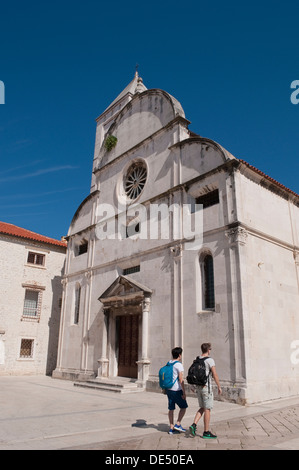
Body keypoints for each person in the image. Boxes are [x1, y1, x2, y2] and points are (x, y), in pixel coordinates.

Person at [189, 342, 222, 439]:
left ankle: (194, 425)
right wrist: (219, 386)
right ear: (208, 350)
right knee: (207, 409)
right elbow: (215, 374)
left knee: (202, 407)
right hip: (206, 388)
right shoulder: (210, 360)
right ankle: (206, 432)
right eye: (210, 349)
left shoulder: (197, 359)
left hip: (198, 387)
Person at [166, 347, 188, 435]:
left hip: (169, 389)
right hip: (177, 389)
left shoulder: (169, 363)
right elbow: (181, 379)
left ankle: (171, 427)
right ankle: (178, 424)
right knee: (183, 407)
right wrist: (184, 391)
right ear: (179, 355)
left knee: (171, 408)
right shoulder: (178, 364)